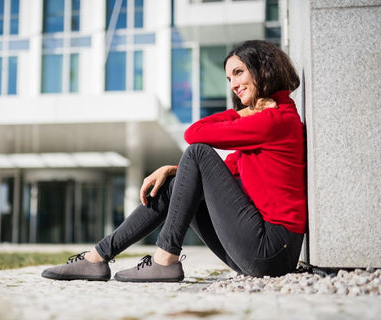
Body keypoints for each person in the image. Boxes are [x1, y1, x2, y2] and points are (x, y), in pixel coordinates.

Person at [41, 40, 307, 282]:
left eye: (239, 73)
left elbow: (194, 135)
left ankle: (165, 258)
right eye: (228, 78)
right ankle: (98, 257)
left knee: (198, 152)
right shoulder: (268, 122)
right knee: (175, 183)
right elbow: (222, 173)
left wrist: (244, 113)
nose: (233, 86)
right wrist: (172, 170)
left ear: (263, 69)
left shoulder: (276, 120)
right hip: (259, 252)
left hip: (271, 250)